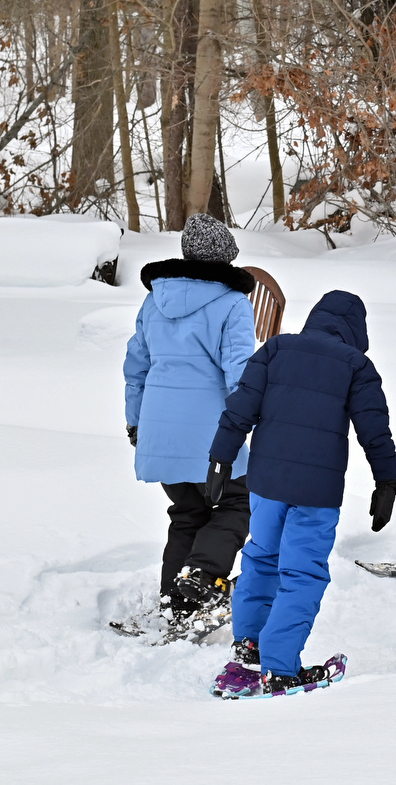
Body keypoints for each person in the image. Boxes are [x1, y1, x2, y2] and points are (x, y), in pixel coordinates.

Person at [205, 289, 396, 698]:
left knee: (261, 557)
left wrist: (220, 459)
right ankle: (278, 667)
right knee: (302, 573)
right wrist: (387, 481)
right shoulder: (355, 364)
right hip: (316, 492)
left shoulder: (276, 349)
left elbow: (239, 409)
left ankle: (250, 644)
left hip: (267, 484)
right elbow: (374, 430)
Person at [124, 213, 257, 630]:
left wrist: (135, 424)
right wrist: (250, 422)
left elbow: (136, 368)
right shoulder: (233, 302)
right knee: (238, 502)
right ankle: (202, 579)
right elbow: (240, 373)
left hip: (159, 429)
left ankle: (174, 603)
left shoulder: (154, 299)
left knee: (187, 513)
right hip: (211, 433)